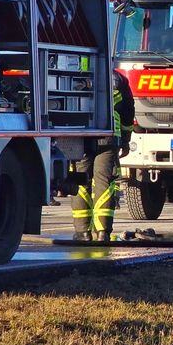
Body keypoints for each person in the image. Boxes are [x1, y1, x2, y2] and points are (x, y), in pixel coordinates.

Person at [71, 71, 134, 241]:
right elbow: (128, 110)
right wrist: (126, 140)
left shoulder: (71, 73)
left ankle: (83, 232)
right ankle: (103, 232)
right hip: (108, 137)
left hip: (78, 136)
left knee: (79, 181)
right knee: (104, 183)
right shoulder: (117, 79)